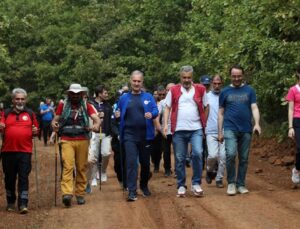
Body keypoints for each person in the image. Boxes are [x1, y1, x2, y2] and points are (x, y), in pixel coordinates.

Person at [51, 83, 100, 207]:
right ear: (69, 94)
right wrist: (54, 125)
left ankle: (80, 194)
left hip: (82, 138)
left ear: (82, 94)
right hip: (66, 139)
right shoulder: (63, 105)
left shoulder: (86, 105)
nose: (75, 96)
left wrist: (96, 126)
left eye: (77, 94)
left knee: (82, 167)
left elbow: (96, 119)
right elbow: (55, 120)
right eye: (72, 93)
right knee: (68, 166)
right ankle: (67, 194)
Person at [163, 65, 207, 197]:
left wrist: (204, 122)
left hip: (196, 128)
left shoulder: (200, 89)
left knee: (198, 153)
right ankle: (181, 185)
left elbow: (206, 106)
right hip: (178, 129)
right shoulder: (174, 90)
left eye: (189, 77)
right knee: (180, 158)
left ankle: (196, 183)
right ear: (180, 77)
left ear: (192, 77)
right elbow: (167, 107)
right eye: (184, 78)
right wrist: (165, 124)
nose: (186, 80)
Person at [218, 64, 261, 196]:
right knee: (230, 154)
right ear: (230, 76)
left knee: (243, 158)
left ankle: (241, 184)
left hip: (246, 129)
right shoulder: (225, 92)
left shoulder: (249, 90)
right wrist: (220, 131)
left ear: (243, 76)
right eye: (234, 76)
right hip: (230, 128)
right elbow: (221, 113)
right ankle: (231, 183)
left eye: (239, 76)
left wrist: (257, 124)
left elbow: (254, 107)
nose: (236, 78)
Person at [118, 70, 158, 201]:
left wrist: (151, 114)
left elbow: (155, 110)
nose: (136, 83)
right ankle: (132, 191)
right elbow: (117, 111)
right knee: (131, 163)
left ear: (142, 82)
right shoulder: (124, 98)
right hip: (129, 135)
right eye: (134, 81)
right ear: (131, 81)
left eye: (138, 81)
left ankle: (144, 185)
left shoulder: (148, 97)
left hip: (145, 135)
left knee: (145, 164)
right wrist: (117, 115)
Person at [0, 88, 39, 214]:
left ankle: (23, 203)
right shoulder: (5, 113)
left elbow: (36, 129)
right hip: (7, 151)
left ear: (25, 100)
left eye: (22, 99)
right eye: (17, 99)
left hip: (25, 152)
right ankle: (10, 202)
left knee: (23, 177)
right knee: (9, 178)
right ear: (13, 100)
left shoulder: (30, 114)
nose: (20, 101)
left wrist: (35, 131)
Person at [87, 85, 112, 186]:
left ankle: (102, 171)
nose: (107, 95)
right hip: (94, 134)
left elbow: (111, 119)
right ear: (99, 94)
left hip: (105, 133)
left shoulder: (108, 105)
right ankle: (93, 177)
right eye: (105, 93)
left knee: (106, 153)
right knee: (94, 157)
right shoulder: (90, 104)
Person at [205, 75, 226, 188]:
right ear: (212, 83)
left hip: (224, 130)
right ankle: (209, 170)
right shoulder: (206, 96)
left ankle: (219, 178)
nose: (217, 86)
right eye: (215, 83)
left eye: (219, 83)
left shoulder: (226, 95)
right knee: (212, 155)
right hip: (210, 129)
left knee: (223, 156)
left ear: (222, 83)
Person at [157, 83, 175, 176]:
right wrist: (160, 129)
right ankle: (167, 169)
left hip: (177, 130)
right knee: (166, 151)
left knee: (178, 151)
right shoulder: (162, 103)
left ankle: (177, 170)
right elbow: (156, 117)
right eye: (168, 90)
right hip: (166, 131)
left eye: (172, 89)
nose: (170, 91)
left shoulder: (180, 101)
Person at [286, 65, 300, 185]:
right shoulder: (293, 90)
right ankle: (297, 169)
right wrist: (290, 127)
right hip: (297, 120)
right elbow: (290, 109)